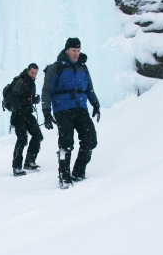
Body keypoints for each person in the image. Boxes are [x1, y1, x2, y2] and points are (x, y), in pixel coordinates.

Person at [41, 37, 100, 189]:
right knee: (66, 143)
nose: (76, 53)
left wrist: (95, 104)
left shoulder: (83, 68)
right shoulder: (56, 67)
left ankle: (79, 172)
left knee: (90, 140)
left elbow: (89, 88)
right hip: (62, 109)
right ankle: (64, 176)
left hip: (80, 108)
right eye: (74, 50)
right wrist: (46, 111)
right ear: (67, 50)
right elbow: (46, 90)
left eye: (78, 50)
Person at [7, 63, 44, 176]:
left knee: (38, 136)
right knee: (22, 139)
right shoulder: (20, 81)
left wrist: (34, 101)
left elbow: (26, 98)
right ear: (27, 70)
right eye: (32, 72)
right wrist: (19, 109)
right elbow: (13, 97)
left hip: (27, 113)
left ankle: (29, 162)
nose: (34, 75)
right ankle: (17, 167)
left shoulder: (31, 82)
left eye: (35, 73)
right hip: (18, 115)